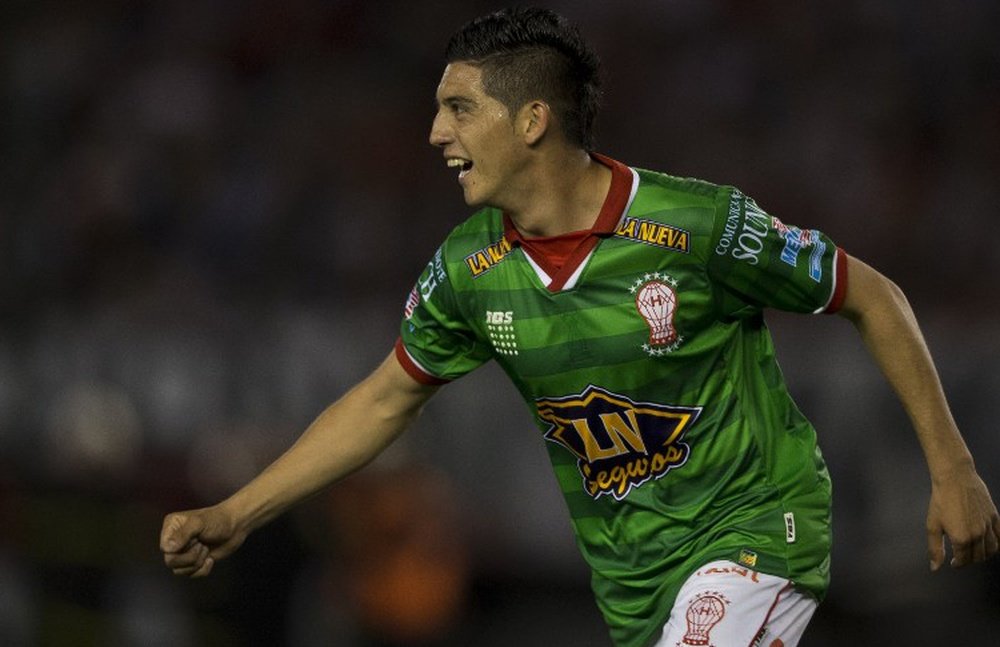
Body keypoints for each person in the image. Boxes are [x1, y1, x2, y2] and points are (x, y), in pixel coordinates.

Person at [161, 8, 1000, 647]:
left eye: (458, 108)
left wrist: (953, 466)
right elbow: (383, 401)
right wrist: (239, 511)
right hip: (632, 579)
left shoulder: (697, 225)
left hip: (757, 529)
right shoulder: (468, 270)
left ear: (531, 121)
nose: (435, 133)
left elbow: (872, 294)